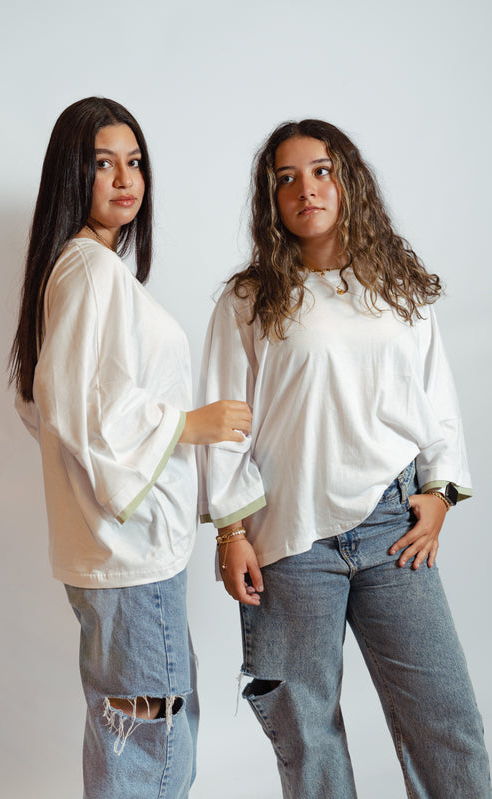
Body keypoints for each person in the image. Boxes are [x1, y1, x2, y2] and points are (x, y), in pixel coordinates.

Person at [198, 119, 491, 798]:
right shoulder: (247, 301)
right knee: (308, 734)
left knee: (445, 720)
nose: (306, 189)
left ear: (348, 181)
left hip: (392, 528)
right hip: (289, 538)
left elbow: (436, 400)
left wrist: (441, 491)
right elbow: (224, 425)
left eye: (321, 171)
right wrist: (230, 530)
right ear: (271, 200)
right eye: (287, 178)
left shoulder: (397, 286)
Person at [9, 96, 251, 799]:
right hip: (131, 555)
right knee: (153, 741)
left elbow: (52, 403)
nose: (125, 178)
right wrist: (187, 424)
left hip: (122, 553)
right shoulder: (89, 271)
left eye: (134, 162)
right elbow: (69, 404)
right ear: (71, 174)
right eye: (102, 163)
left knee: (134, 731)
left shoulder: (86, 269)